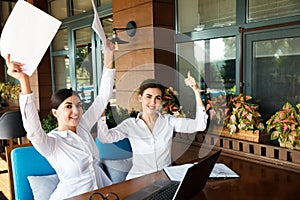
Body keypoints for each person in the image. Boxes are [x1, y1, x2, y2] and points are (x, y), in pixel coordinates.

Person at [5, 41, 115, 199]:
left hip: (100, 193)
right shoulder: (51, 143)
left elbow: (103, 97)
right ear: (55, 112)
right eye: (68, 106)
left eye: (78, 105)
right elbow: (33, 131)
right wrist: (24, 81)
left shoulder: (83, 127)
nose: (75, 111)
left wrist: (110, 54)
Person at [97, 72, 208, 180]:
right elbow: (105, 138)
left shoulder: (169, 121)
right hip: (138, 180)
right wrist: (101, 113)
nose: (153, 102)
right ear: (140, 98)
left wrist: (196, 91)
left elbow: (200, 125)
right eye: (148, 97)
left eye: (157, 98)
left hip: (165, 178)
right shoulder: (130, 125)